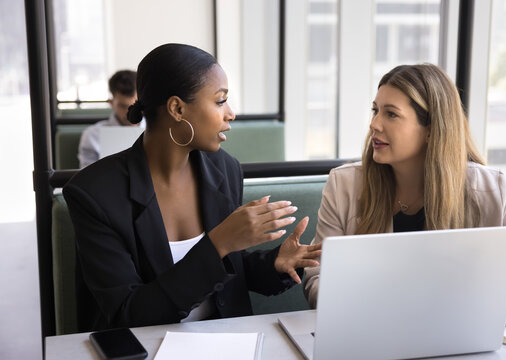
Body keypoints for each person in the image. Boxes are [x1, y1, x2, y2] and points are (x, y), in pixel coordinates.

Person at [64, 43, 321, 330]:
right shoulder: (95, 193)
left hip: (226, 343)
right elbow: (128, 314)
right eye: (220, 101)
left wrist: (276, 263)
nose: (231, 114)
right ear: (177, 108)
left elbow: (229, 271)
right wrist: (218, 242)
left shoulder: (224, 169)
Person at [303, 63, 506, 325]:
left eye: (391, 114)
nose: (374, 124)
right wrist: (352, 307)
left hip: (456, 334)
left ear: (430, 130)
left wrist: (502, 310)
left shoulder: (489, 189)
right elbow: (317, 274)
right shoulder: (344, 185)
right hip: (369, 331)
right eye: (375, 110)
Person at [78, 70, 146, 168]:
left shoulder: (158, 130)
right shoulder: (93, 135)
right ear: (111, 103)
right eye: (123, 106)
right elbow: (86, 177)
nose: (130, 112)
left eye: (135, 106)